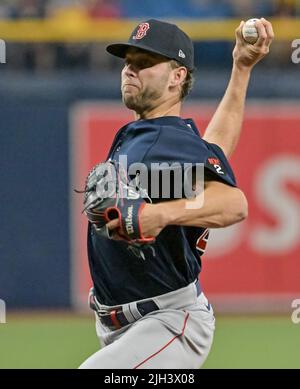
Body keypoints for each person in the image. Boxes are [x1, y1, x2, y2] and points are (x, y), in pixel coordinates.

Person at [79, 18, 274, 369]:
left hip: (167, 323)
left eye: (144, 63)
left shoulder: (168, 138)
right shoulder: (152, 135)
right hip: (131, 325)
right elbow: (215, 150)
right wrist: (241, 69)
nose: (129, 70)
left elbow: (235, 203)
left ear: (177, 76)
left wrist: (158, 214)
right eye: (128, 62)